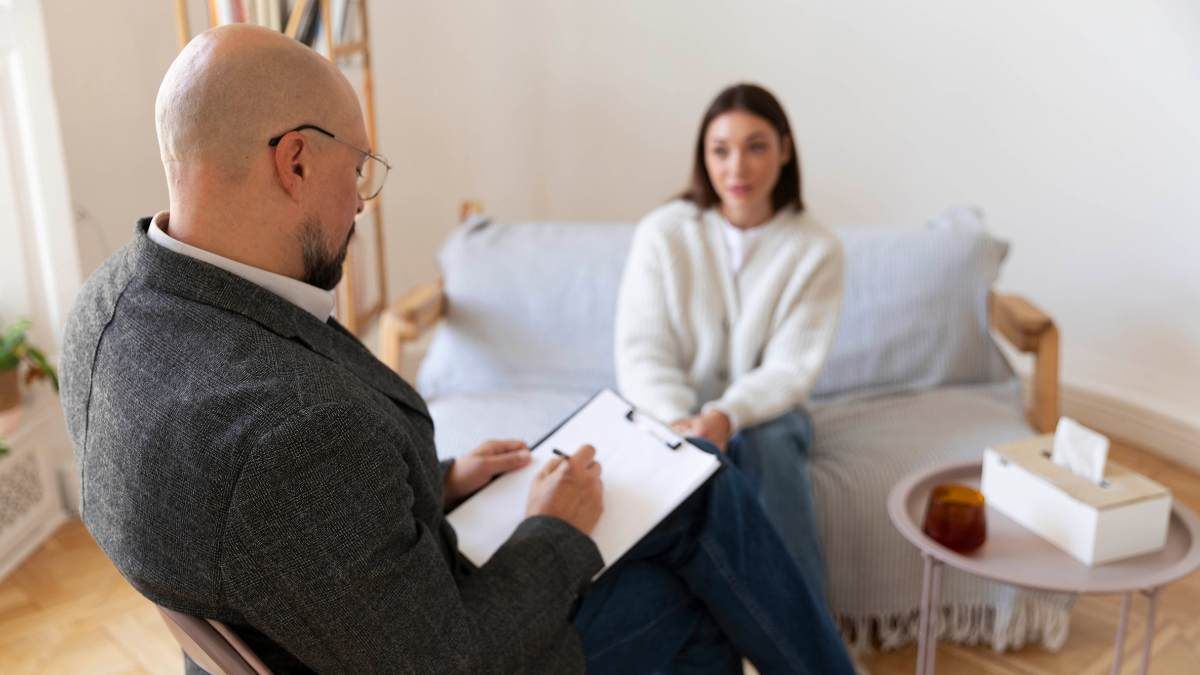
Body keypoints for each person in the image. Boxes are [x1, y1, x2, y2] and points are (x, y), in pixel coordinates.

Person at [60, 27, 853, 674]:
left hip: (355, 614)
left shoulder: (106, 311)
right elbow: (449, 658)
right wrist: (555, 529)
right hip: (451, 637)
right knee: (694, 599)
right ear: (294, 161)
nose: (363, 202)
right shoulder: (291, 436)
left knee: (700, 495)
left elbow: (297, 533)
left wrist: (443, 483)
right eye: (359, 168)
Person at [615, 83, 844, 598]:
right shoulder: (662, 233)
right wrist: (680, 423)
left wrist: (726, 416)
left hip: (765, 417)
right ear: (704, 156)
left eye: (756, 146)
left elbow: (791, 369)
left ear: (785, 150)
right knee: (674, 469)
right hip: (666, 412)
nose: (736, 167)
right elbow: (642, 350)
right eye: (720, 150)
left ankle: (802, 633)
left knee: (765, 444)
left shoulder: (817, 249)